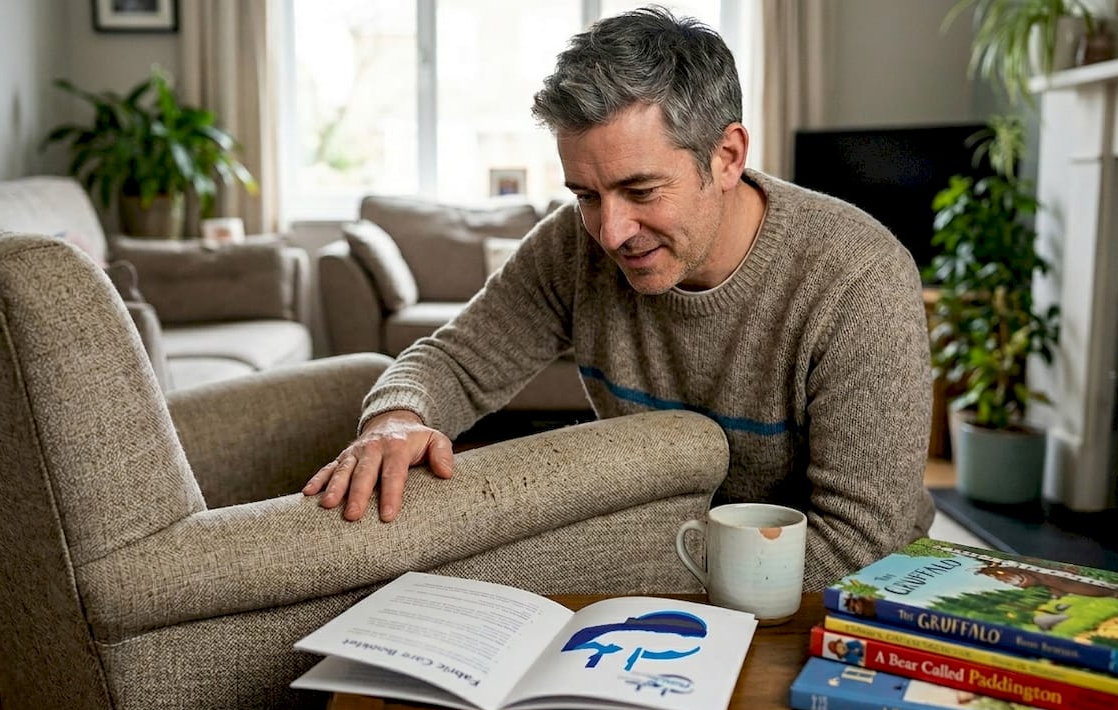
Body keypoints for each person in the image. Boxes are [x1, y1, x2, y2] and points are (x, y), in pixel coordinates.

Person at [303, 6, 935, 590]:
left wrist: (621, 558)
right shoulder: (572, 245)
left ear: (726, 156)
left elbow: (859, 549)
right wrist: (395, 419)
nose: (610, 233)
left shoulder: (859, 281)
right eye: (586, 195)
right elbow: (455, 362)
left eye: (641, 191)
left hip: (824, 599)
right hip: (657, 573)